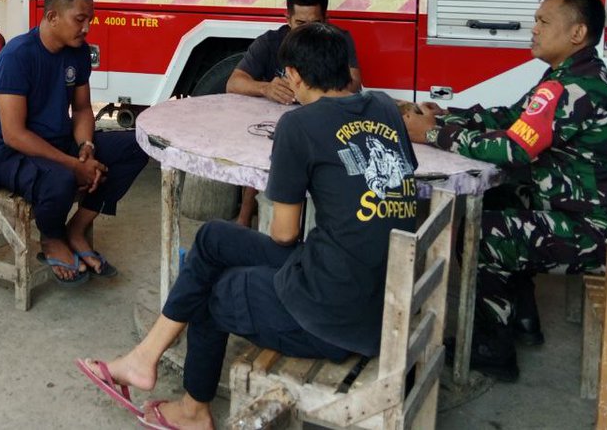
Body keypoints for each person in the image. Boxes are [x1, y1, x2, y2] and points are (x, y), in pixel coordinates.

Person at [78, 22, 417, 429]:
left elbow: (284, 233)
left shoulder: (300, 125)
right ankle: (143, 358)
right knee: (213, 238)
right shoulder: (383, 108)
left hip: (334, 318)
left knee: (214, 290)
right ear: (346, 68)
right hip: (376, 294)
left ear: (292, 75)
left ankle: (193, 411)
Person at [404, 0, 607, 382]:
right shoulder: (571, 74)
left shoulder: (574, 87)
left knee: (480, 232)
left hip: (604, 229)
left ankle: (491, 347)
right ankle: (521, 318)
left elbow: (515, 149)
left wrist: (431, 136)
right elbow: (513, 117)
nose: (533, 29)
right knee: (496, 195)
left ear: (576, 33)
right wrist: (447, 117)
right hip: (582, 206)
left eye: (543, 22)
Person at [0, 0, 148, 284]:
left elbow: (82, 108)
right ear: (52, 16)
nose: (86, 28)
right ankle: (52, 237)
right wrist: (74, 165)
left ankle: (77, 227)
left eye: (90, 20)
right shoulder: (17, 56)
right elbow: (13, 134)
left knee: (138, 144)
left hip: (58, 144)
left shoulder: (78, 52)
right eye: (80, 19)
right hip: (7, 155)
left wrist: (86, 148)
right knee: (61, 178)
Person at [225, 0, 362, 226]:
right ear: (287, 19)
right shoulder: (270, 42)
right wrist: (265, 88)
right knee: (260, 149)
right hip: (280, 120)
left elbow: (354, 86)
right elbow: (234, 82)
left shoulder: (337, 41)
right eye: (300, 24)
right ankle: (246, 215)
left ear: (326, 20)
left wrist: (320, 91)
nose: (308, 32)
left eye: (315, 24)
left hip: (324, 121)